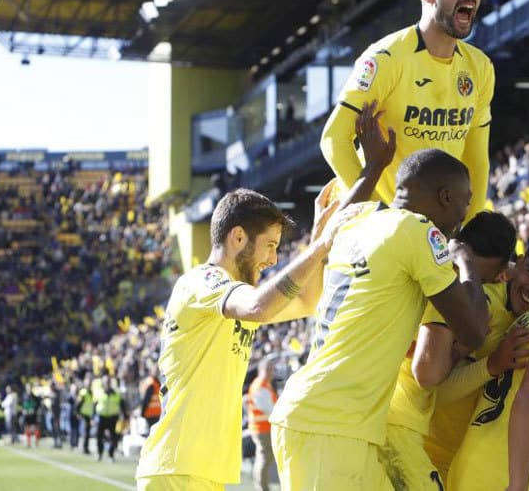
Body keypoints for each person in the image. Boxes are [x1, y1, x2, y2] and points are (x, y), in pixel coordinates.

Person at [137, 105, 396, 490]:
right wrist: (319, 245)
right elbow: (258, 306)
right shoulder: (201, 283)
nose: (273, 258)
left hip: (198, 470)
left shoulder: (229, 295)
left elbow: (307, 302)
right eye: (270, 245)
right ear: (237, 237)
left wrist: (320, 242)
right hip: (177, 468)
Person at [270, 148, 491, 491]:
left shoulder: (358, 220)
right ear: (446, 197)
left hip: (332, 420)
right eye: (466, 201)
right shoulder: (418, 232)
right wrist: (466, 262)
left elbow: (342, 212)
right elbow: (475, 332)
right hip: (331, 427)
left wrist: (374, 165)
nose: (465, 213)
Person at [320, 0, 494, 221]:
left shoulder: (480, 67)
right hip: (375, 227)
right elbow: (333, 139)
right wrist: (378, 214)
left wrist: (470, 227)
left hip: (435, 228)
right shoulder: (386, 58)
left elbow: (476, 159)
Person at [424, 232, 529, 483]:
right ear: (519, 263)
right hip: (426, 459)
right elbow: (431, 391)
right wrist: (492, 365)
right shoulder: (481, 306)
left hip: (475, 475)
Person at [381, 211, 520, 491]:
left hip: (389, 417)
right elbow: (429, 374)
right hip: (400, 424)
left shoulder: (426, 265)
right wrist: (461, 350)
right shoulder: (450, 281)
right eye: (492, 276)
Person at [246, 358, 278, 491]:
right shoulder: (260, 386)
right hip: (261, 429)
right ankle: (261, 487)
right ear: (261, 371)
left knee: (264, 459)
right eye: (268, 370)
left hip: (263, 428)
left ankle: (261, 486)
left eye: (272, 369)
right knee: (264, 459)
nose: (271, 373)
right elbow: (271, 410)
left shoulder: (264, 384)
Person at [94, 376, 127, 462]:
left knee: (113, 437)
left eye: (108, 381)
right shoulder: (99, 393)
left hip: (113, 417)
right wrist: (93, 417)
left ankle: (111, 454)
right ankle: (99, 453)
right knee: (99, 436)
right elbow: (94, 405)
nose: (107, 383)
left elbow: (122, 405)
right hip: (102, 417)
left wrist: (125, 416)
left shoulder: (116, 394)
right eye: (106, 382)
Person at [139, 365, 162, 435]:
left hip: (155, 413)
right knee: (153, 434)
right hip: (151, 414)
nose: (157, 372)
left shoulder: (156, 382)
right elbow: (146, 399)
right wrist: (142, 412)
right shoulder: (152, 383)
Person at [76, 379, 95, 453]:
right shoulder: (84, 392)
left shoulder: (90, 392)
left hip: (88, 414)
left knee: (87, 431)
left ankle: (85, 447)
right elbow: (79, 403)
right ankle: (84, 448)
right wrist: (77, 413)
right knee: (85, 431)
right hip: (83, 414)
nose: (89, 385)